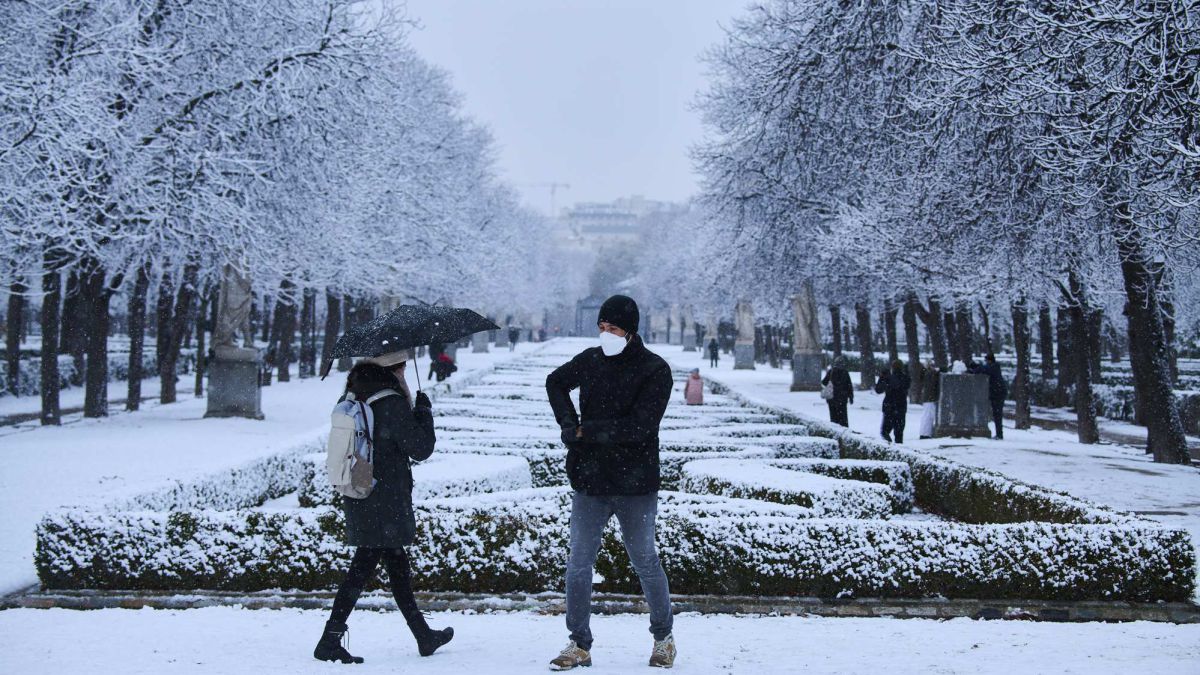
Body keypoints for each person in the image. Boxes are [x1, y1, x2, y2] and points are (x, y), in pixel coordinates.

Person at [545, 294, 676, 671]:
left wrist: (587, 432)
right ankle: (578, 643)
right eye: (601, 327)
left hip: (635, 483)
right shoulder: (589, 360)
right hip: (590, 480)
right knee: (578, 564)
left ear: (630, 331)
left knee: (645, 561)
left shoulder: (655, 369)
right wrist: (569, 425)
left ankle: (663, 637)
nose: (606, 334)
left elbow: (641, 427)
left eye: (613, 328)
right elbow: (555, 383)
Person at [314, 356, 453, 665]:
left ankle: (423, 635)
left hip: (361, 489)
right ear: (391, 369)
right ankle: (330, 639)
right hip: (386, 498)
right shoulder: (390, 403)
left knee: (396, 566)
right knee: (364, 566)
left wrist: (403, 390)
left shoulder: (352, 395)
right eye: (400, 366)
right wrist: (424, 410)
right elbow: (421, 447)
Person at [874, 359, 911, 443]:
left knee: (884, 431)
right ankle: (899, 449)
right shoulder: (905, 378)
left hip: (889, 407)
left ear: (892, 368)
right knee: (899, 434)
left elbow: (878, 390)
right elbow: (905, 384)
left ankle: (890, 447)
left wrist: (882, 377)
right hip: (901, 407)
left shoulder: (888, 378)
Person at [821, 355, 854, 427]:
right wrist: (851, 397)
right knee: (843, 418)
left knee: (833, 418)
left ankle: (835, 431)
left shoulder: (831, 371)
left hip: (832, 398)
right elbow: (849, 386)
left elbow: (823, 382)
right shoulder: (845, 372)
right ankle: (844, 432)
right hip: (842, 399)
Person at [981, 354, 1008, 439]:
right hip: (998, 393)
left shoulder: (993, 368)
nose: (986, 363)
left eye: (986, 361)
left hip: (997, 394)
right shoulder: (995, 367)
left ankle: (999, 435)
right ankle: (999, 434)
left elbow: (984, 369)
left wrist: (975, 367)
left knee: (997, 414)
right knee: (997, 414)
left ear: (989, 361)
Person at [919, 359, 940, 439]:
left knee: (927, 416)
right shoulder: (930, 373)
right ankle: (925, 433)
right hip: (929, 398)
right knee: (928, 416)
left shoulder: (926, 373)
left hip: (927, 398)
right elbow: (932, 386)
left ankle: (925, 433)